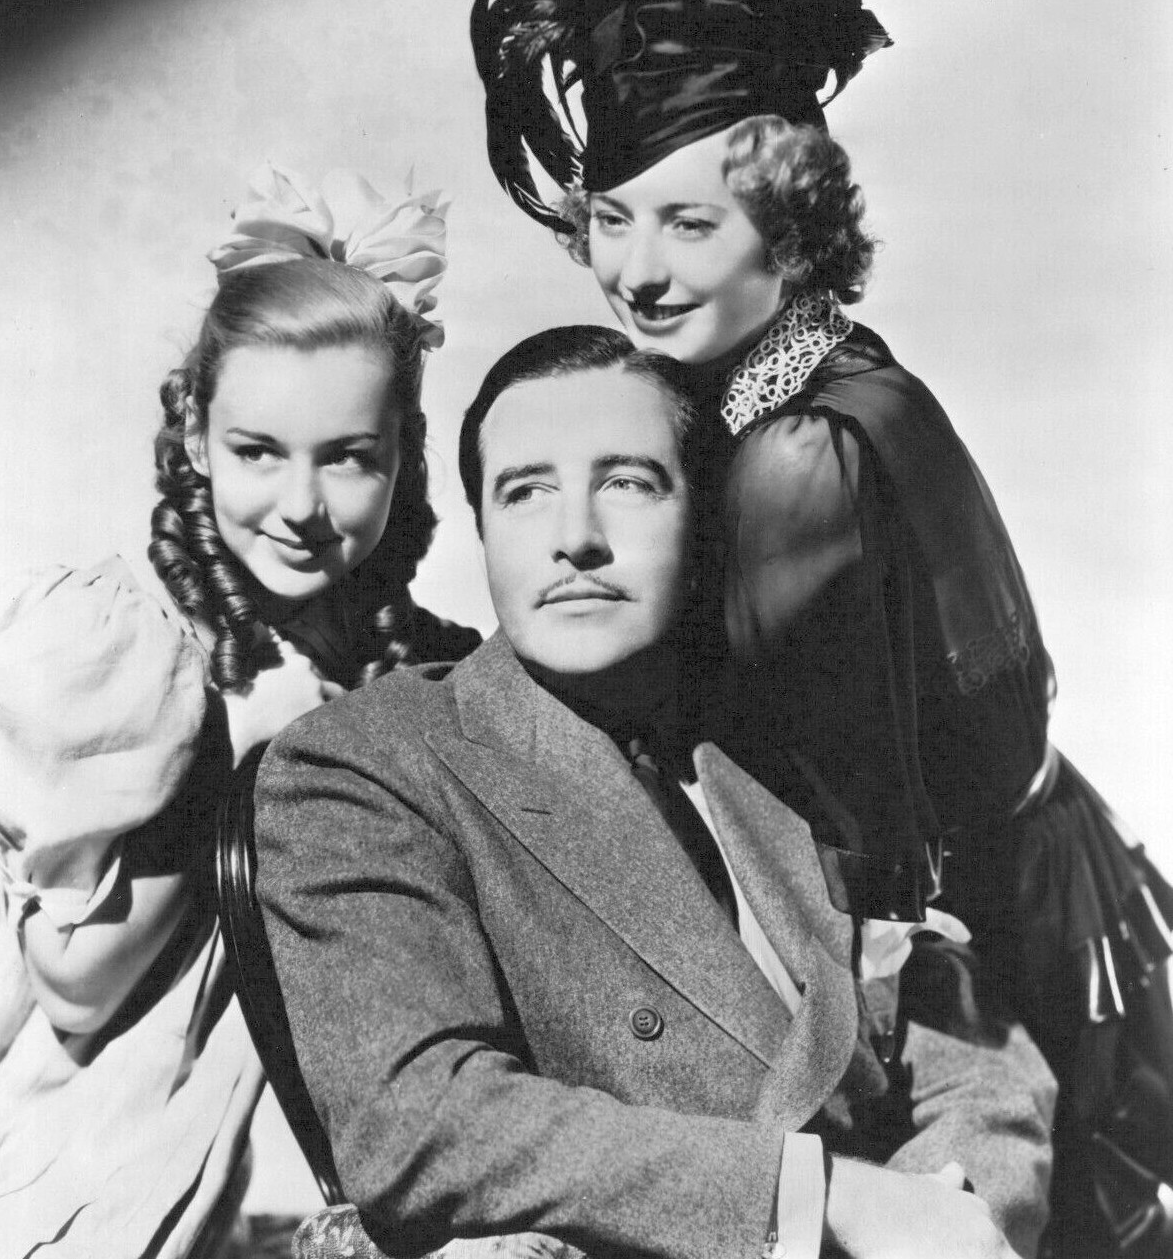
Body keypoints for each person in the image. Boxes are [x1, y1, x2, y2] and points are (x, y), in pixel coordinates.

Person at [469, 0, 1173, 1255]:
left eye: (687, 223)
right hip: (998, 888)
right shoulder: (795, 380)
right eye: (611, 220)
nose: (635, 272)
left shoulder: (801, 456)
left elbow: (729, 752)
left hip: (988, 953)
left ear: (785, 231)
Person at [254, 323, 1058, 1259]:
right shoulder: (364, 762)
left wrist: (947, 1211)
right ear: (482, 528)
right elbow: (421, 1121)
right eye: (524, 491)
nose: (575, 539)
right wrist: (824, 1201)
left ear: (703, 516)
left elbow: (973, 1059)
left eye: (628, 483)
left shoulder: (788, 747)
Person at [0, 164, 476, 1258]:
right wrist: (238, 746)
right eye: (258, 452)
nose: (301, 507)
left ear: (403, 455)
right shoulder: (136, 656)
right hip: (96, 1181)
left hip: (337, 1194)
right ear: (197, 435)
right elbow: (78, 985)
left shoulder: (431, 671)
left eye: (349, 458)